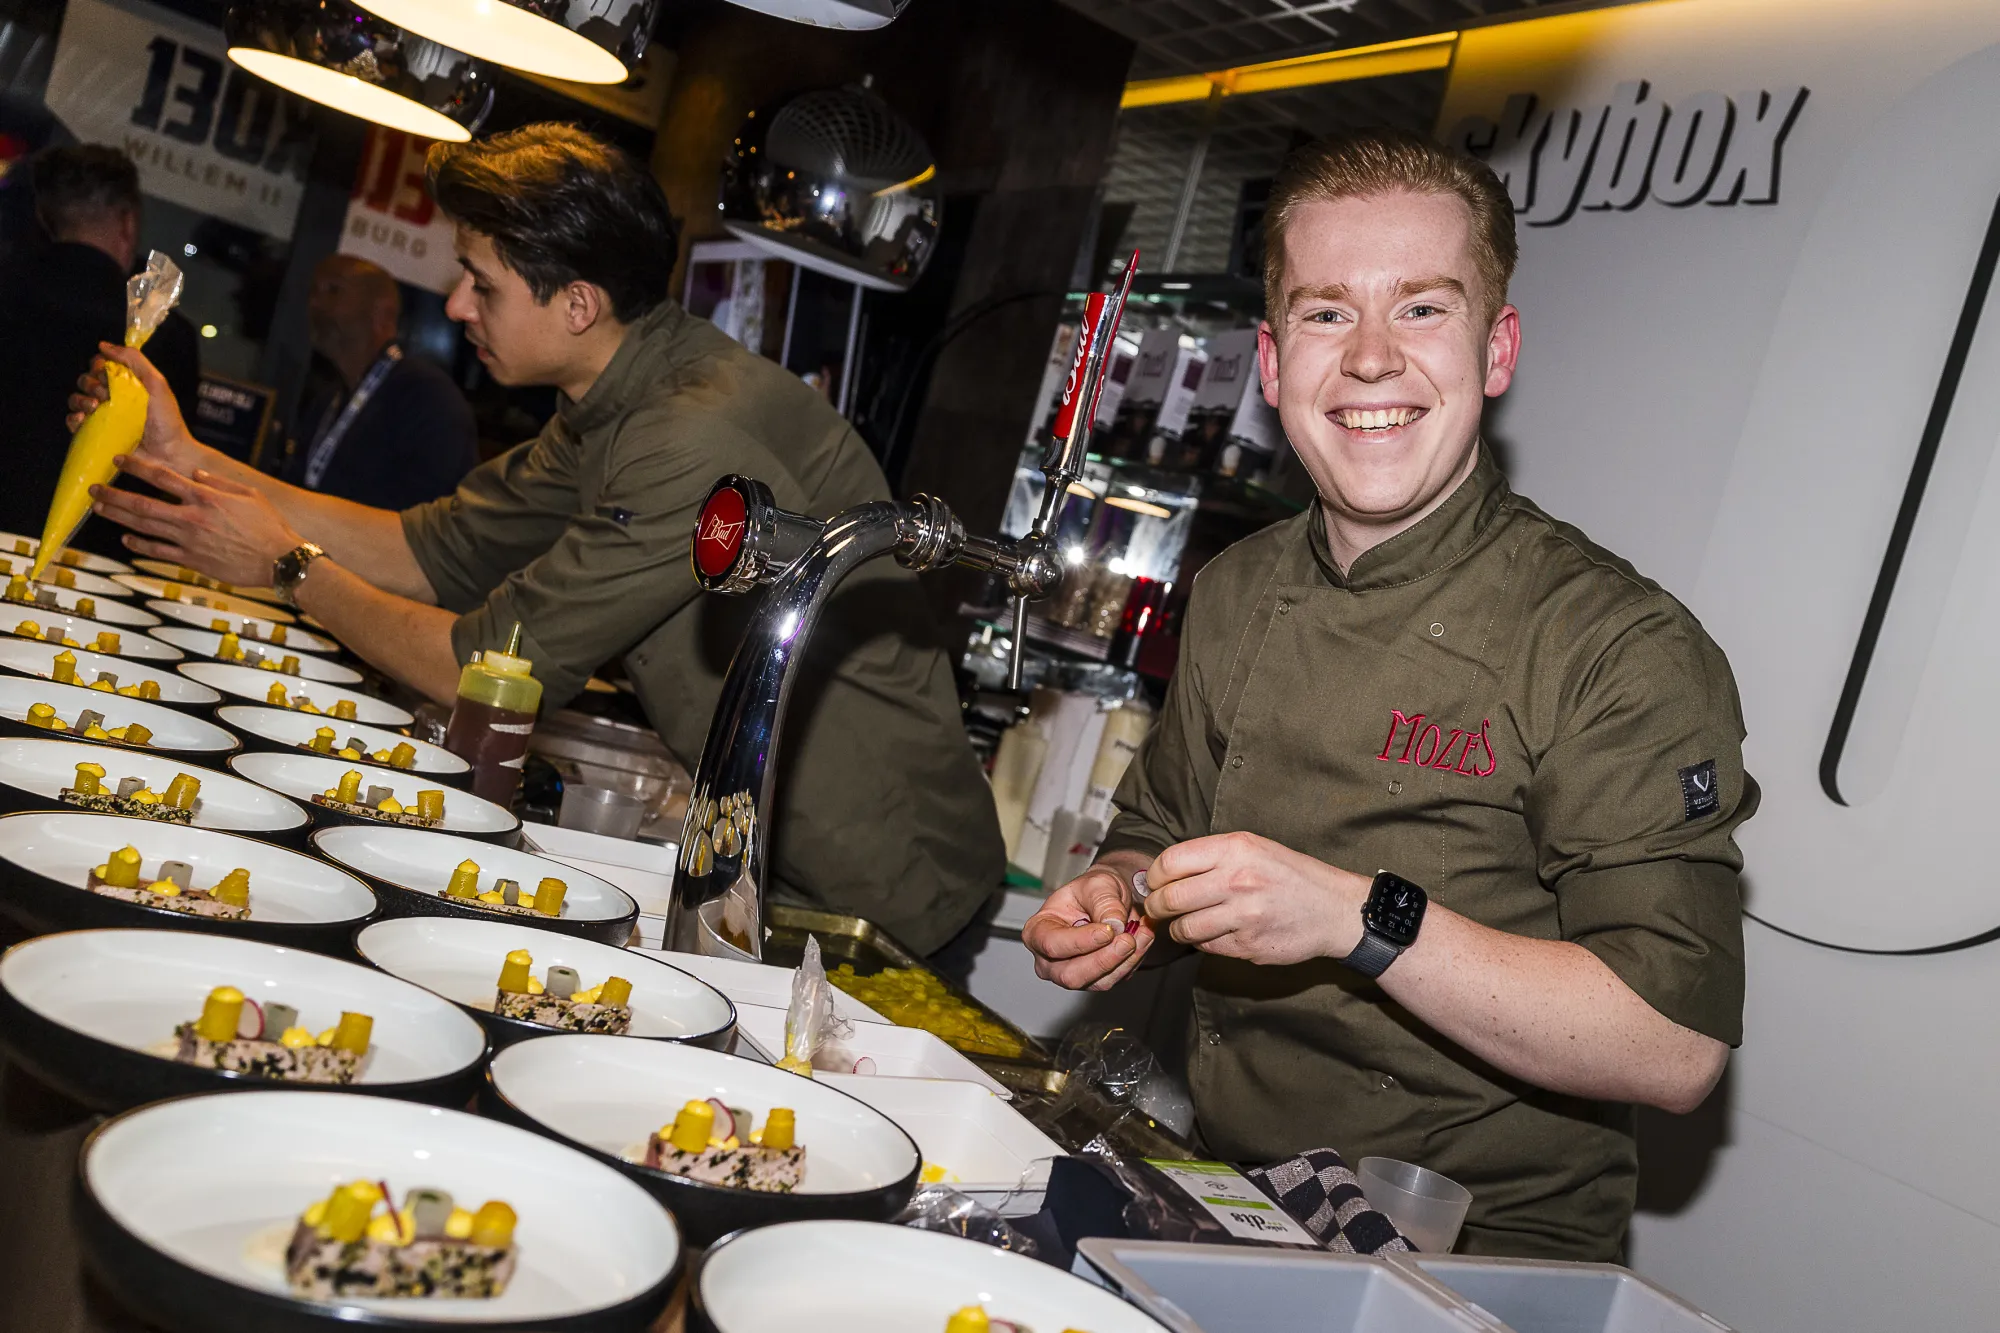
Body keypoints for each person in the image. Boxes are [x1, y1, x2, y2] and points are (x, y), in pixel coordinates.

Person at [1024, 131, 1757, 1260]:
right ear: (1273, 365)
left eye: (1420, 308)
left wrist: (1360, 920)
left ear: (1494, 349)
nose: (1370, 359)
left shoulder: (1616, 643)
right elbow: (1160, 827)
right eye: (1326, 313)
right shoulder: (1235, 585)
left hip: (1472, 1255)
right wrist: (1120, 898)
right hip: (1225, 1193)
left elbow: (1672, 1044)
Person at [78, 124, 1003, 956]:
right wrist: (189, 456)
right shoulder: (613, 397)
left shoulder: (687, 434)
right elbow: (429, 550)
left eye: (482, 283)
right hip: (776, 854)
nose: (456, 306)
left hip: (886, 894)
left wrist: (287, 567)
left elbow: (481, 667)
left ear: (578, 304)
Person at [0, 143, 198, 550]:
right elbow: (171, 475)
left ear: (44, 216)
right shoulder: (163, 333)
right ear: (128, 222)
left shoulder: (8, 287)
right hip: (97, 560)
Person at [274, 254, 478, 510]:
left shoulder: (429, 399)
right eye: (313, 291)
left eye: (334, 290)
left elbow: (432, 516)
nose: (315, 303)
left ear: (381, 312)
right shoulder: (328, 399)